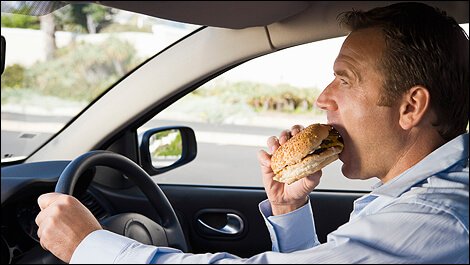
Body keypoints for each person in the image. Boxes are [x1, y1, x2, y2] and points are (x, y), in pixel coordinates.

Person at [35, 2, 469, 263]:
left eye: (346, 79)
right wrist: (289, 212)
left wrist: (90, 247)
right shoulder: (410, 198)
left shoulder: (437, 219)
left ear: (410, 107)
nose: (323, 97)